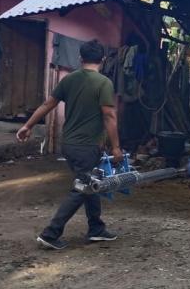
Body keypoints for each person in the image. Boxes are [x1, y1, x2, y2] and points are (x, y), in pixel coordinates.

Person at [17, 39, 122, 250]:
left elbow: (48, 104)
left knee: (91, 183)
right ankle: (51, 233)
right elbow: (109, 116)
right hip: (87, 146)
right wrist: (116, 147)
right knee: (83, 187)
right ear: (102, 60)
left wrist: (27, 126)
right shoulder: (104, 83)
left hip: (69, 143)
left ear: (80, 58)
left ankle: (96, 229)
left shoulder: (69, 80)